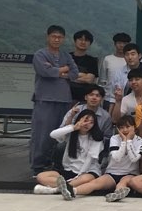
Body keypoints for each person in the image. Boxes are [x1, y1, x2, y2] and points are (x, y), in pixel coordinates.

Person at [30, 25, 80, 174]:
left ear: (63, 39)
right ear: (48, 37)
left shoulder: (66, 55)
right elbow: (44, 71)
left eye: (60, 37)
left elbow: (75, 73)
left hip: (64, 100)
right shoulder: (40, 54)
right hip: (45, 99)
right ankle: (38, 165)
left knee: (62, 133)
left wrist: (56, 71)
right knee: (42, 134)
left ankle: (57, 163)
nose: (57, 39)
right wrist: (63, 69)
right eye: (54, 36)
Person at [33, 109, 104, 199]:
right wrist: (73, 128)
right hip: (69, 170)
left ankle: (54, 190)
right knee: (40, 176)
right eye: (85, 120)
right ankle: (65, 187)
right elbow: (53, 134)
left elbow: (89, 160)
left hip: (87, 171)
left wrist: (78, 176)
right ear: (79, 119)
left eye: (91, 122)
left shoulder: (96, 137)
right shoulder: (71, 132)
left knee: (87, 179)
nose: (87, 124)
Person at [96, 114, 142, 202]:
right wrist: (123, 142)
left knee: (123, 183)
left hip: (130, 173)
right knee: (95, 183)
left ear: (134, 127)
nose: (125, 130)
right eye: (121, 128)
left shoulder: (140, 141)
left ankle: (116, 194)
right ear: (118, 129)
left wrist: (129, 141)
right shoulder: (114, 138)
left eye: (128, 127)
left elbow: (134, 159)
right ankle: (73, 191)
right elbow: (117, 158)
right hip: (112, 172)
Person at [69, 30, 99, 102]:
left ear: (90, 44)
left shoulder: (92, 61)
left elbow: (89, 80)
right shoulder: (66, 57)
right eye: (80, 39)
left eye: (86, 40)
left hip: (83, 98)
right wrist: (82, 75)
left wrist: (69, 75)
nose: (83, 42)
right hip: (65, 95)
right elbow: (61, 75)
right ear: (75, 41)